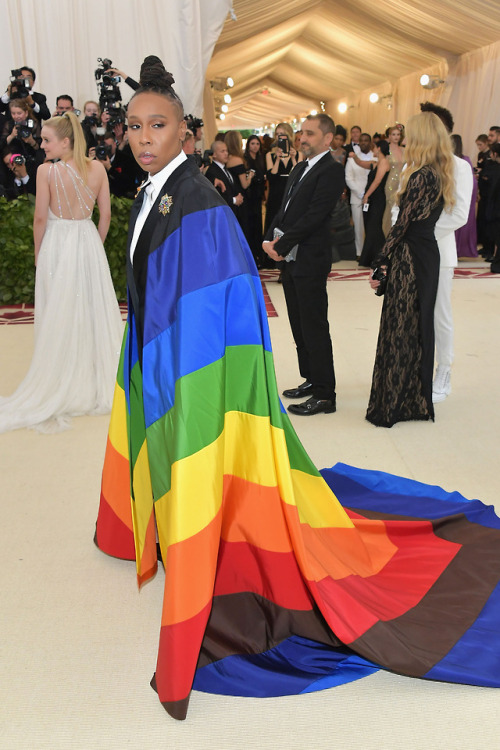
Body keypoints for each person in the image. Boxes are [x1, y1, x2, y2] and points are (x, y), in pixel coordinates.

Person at [95, 57, 500, 723]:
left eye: (158, 125)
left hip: (197, 385)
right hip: (165, 368)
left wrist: (189, 397)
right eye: (134, 126)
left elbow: (215, 322)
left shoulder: (198, 205)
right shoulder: (153, 193)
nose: (143, 138)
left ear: (184, 134)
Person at [0, 112, 123, 433]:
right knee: (90, 311)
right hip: (87, 242)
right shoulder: (97, 168)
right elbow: (106, 215)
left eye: (46, 140)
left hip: (57, 243)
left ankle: (63, 376)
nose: (41, 146)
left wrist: (39, 253)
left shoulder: (45, 172)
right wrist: (94, 245)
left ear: (65, 141)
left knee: (60, 310)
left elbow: (40, 217)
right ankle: (94, 377)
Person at [367, 112, 456, 427]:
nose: (404, 140)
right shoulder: (437, 172)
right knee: (414, 327)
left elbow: (401, 225)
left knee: (401, 326)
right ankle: (409, 400)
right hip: (424, 254)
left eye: (409, 135)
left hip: (410, 257)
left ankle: (394, 404)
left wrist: (382, 261)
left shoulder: (421, 176)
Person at [263, 113, 345, 415]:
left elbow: (314, 216)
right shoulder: (299, 167)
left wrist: (281, 245)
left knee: (314, 326)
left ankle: (326, 394)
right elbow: (283, 210)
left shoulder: (331, 170)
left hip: (310, 258)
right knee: (298, 325)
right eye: (302, 133)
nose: (303, 138)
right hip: (291, 259)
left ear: (327, 138)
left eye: (310, 133)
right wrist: (268, 239)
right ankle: (311, 378)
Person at [418, 102, 473, 403]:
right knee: (414, 314)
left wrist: (419, 236)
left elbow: (459, 215)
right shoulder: (416, 164)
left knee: (440, 315)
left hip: (438, 252)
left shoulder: (459, 166)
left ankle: (444, 370)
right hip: (411, 253)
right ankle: (418, 369)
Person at [358, 140, 390, 267]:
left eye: (375, 148)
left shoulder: (384, 162)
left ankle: (381, 256)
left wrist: (366, 195)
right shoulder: (377, 163)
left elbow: (377, 181)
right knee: (371, 226)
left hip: (377, 198)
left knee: (374, 226)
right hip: (373, 197)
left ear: (379, 148)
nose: (373, 150)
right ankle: (372, 257)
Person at [264, 122, 300, 233]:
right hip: (275, 194)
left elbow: (299, 176)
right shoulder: (270, 155)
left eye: (282, 134)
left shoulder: (298, 154)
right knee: (273, 227)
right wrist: (278, 159)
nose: (279, 137)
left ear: (288, 136)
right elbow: (271, 177)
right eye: (277, 134)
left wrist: (293, 159)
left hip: (291, 195)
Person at [345, 133, 373, 256]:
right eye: (361, 141)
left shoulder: (375, 158)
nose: (363, 143)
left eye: (366, 140)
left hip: (373, 196)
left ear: (370, 142)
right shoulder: (351, 159)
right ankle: (359, 252)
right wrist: (361, 193)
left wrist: (368, 193)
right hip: (357, 197)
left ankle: (371, 251)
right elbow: (348, 178)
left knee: (372, 226)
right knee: (358, 227)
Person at [451, 134, 478, 258]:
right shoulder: (465, 159)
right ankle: (459, 249)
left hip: (458, 192)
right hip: (464, 192)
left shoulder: (458, 160)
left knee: (459, 218)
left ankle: (458, 249)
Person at [243, 134, 267, 267]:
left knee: (258, 226)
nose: (255, 146)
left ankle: (258, 256)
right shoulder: (245, 159)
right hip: (248, 196)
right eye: (252, 143)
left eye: (257, 144)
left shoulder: (261, 159)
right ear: (248, 145)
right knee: (249, 225)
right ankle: (251, 256)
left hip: (258, 196)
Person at [204, 138, 244, 212]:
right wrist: (234, 200)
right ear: (214, 154)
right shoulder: (212, 172)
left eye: (226, 151)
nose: (226, 153)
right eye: (222, 151)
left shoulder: (225, 169)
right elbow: (215, 196)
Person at [381, 125, 405, 236]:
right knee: (391, 209)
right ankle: (388, 237)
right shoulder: (386, 149)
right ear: (389, 136)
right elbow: (380, 166)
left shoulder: (404, 150)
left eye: (398, 134)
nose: (396, 137)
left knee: (401, 210)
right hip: (391, 184)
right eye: (393, 134)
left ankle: (397, 237)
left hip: (403, 183)